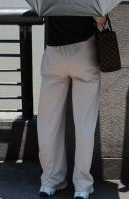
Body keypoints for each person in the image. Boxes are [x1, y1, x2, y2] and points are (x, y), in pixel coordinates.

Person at [36, 14, 106, 199]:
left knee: (48, 122)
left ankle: (50, 180)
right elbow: (100, 20)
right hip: (84, 52)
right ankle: (82, 185)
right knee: (85, 124)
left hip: (54, 50)